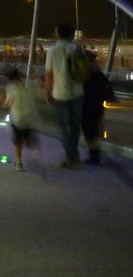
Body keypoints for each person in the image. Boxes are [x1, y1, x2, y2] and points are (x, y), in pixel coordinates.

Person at [44, 23, 84, 168]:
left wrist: (47, 92)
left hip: (60, 94)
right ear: (72, 35)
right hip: (78, 93)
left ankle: (71, 158)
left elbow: (49, 75)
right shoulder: (77, 49)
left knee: (63, 127)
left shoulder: (53, 51)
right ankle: (74, 155)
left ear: (57, 34)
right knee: (74, 127)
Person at [2, 68, 41, 172]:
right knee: (29, 140)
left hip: (17, 120)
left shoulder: (10, 87)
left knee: (17, 142)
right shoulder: (27, 86)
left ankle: (18, 163)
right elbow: (38, 94)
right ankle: (36, 156)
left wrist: (2, 102)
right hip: (29, 119)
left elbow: (8, 103)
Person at [82, 50, 114, 164]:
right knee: (93, 130)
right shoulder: (99, 74)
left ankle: (94, 156)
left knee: (89, 131)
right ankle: (95, 154)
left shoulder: (85, 75)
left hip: (87, 106)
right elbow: (107, 90)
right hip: (98, 106)